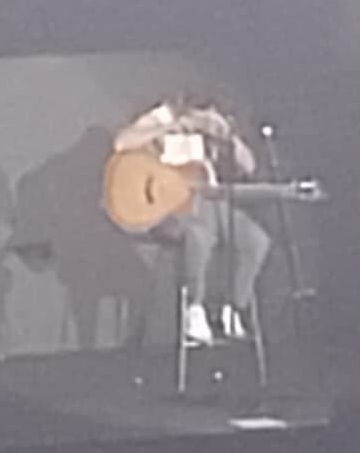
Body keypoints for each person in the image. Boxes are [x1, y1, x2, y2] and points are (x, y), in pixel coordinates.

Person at [110, 100, 269, 349]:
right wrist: (172, 126)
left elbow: (248, 167)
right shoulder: (163, 116)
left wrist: (229, 136)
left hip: (210, 202)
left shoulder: (214, 131)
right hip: (172, 208)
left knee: (256, 240)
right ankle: (194, 310)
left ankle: (232, 308)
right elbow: (122, 142)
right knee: (199, 235)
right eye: (201, 114)